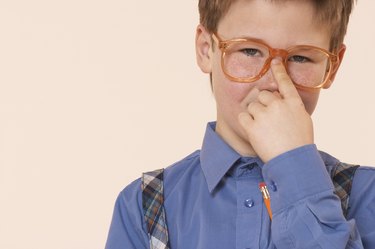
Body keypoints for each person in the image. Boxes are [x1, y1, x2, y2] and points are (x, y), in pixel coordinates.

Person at [105, 0, 375, 248]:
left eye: (300, 57)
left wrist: (295, 167)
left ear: (333, 66)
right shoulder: (145, 206)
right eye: (249, 50)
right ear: (205, 50)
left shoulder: (368, 196)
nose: (273, 82)